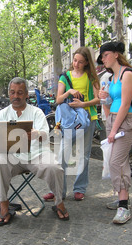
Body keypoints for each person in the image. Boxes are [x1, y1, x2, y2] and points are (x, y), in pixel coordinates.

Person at [0, 77, 69, 223]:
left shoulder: (36, 112)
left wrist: (37, 134)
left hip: (37, 154)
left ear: (26, 95)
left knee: (54, 167)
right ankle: (4, 204)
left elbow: (45, 134)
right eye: (12, 92)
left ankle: (58, 202)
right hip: (12, 157)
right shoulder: (2, 114)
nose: (16, 96)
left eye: (19, 93)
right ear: (9, 94)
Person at [43, 47, 100, 202]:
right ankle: (57, 190)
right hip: (70, 121)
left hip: (88, 118)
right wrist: (69, 92)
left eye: (81, 62)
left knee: (84, 155)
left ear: (87, 62)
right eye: (75, 60)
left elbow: (98, 99)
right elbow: (58, 99)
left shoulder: (91, 77)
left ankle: (80, 188)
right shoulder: (65, 76)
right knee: (62, 155)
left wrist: (83, 104)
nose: (76, 64)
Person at [97, 41, 132, 224]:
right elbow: (113, 102)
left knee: (116, 162)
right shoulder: (113, 77)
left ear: (115, 54)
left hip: (126, 122)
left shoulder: (127, 74)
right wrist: (104, 99)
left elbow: (126, 104)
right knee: (117, 162)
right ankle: (123, 199)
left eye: (105, 55)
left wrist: (113, 129)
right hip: (114, 119)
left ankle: (124, 207)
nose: (103, 59)